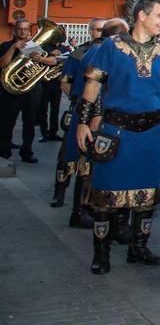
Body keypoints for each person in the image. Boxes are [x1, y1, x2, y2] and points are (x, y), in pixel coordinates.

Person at [76, 0, 160, 275]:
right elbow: (92, 85)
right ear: (141, 16)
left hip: (151, 133)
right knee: (105, 196)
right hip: (116, 131)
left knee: (147, 195)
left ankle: (139, 248)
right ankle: (101, 254)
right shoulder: (111, 46)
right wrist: (83, 123)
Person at [51, 18, 104, 211]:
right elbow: (66, 81)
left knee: (90, 160)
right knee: (67, 153)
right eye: (98, 29)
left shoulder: (111, 53)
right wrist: (78, 97)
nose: (101, 32)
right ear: (91, 31)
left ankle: (84, 204)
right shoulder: (80, 52)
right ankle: (59, 192)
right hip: (79, 108)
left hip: (100, 113)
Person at [0, 19, 45, 163]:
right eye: (20, 29)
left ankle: (27, 152)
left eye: (26, 29)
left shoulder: (35, 46)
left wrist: (41, 58)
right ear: (14, 30)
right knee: (7, 122)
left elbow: (47, 64)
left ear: (29, 31)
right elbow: (2, 64)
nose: (23, 32)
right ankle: (4, 152)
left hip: (31, 91)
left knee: (29, 123)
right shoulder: (6, 45)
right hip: (11, 91)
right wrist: (13, 48)